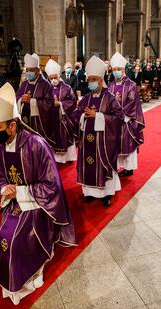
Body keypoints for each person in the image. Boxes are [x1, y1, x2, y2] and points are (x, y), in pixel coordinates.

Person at [0, 82, 76, 305]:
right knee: (5, 238)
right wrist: (3, 188)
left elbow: (51, 185)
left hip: (37, 204)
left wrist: (22, 191)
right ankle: (20, 278)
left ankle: (36, 269)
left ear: (13, 126)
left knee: (17, 240)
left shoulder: (36, 145)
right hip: (13, 201)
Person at [71, 55, 123, 207]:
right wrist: (82, 117)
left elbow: (118, 117)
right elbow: (76, 114)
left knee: (102, 165)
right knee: (88, 165)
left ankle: (106, 194)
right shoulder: (85, 99)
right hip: (87, 144)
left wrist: (98, 116)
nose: (91, 82)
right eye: (89, 80)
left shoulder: (110, 98)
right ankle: (89, 192)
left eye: (94, 79)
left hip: (103, 144)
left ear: (101, 80)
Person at [108, 52, 145, 177]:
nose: (116, 72)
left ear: (123, 70)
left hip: (126, 121)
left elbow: (132, 102)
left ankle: (129, 169)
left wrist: (122, 116)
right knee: (115, 146)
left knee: (127, 144)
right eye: (114, 69)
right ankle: (117, 167)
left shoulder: (131, 85)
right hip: (113, 121)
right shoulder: (110, 86)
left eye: (118, 69)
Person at [16, 53, 54, 144]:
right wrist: (21, 100)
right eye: (27, 71)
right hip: (24, 119)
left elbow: (49, 102)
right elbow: (17, 96)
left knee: (37, 143)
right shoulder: (24, 84)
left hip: (38, 123)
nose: (28, 73)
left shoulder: (45, 84)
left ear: (38, 70)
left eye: (31, 71)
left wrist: (32, 102)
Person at [45, 59, 78, 163]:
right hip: (51, 118)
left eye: (55, 77)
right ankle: (54, 157)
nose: (53, 79)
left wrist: (61, 104)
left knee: (64, 136)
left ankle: (67, 158)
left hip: (64, 119)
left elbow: (72, 100)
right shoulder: (46, 88)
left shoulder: (67, 88)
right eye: (51, 78)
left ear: (59, 76)